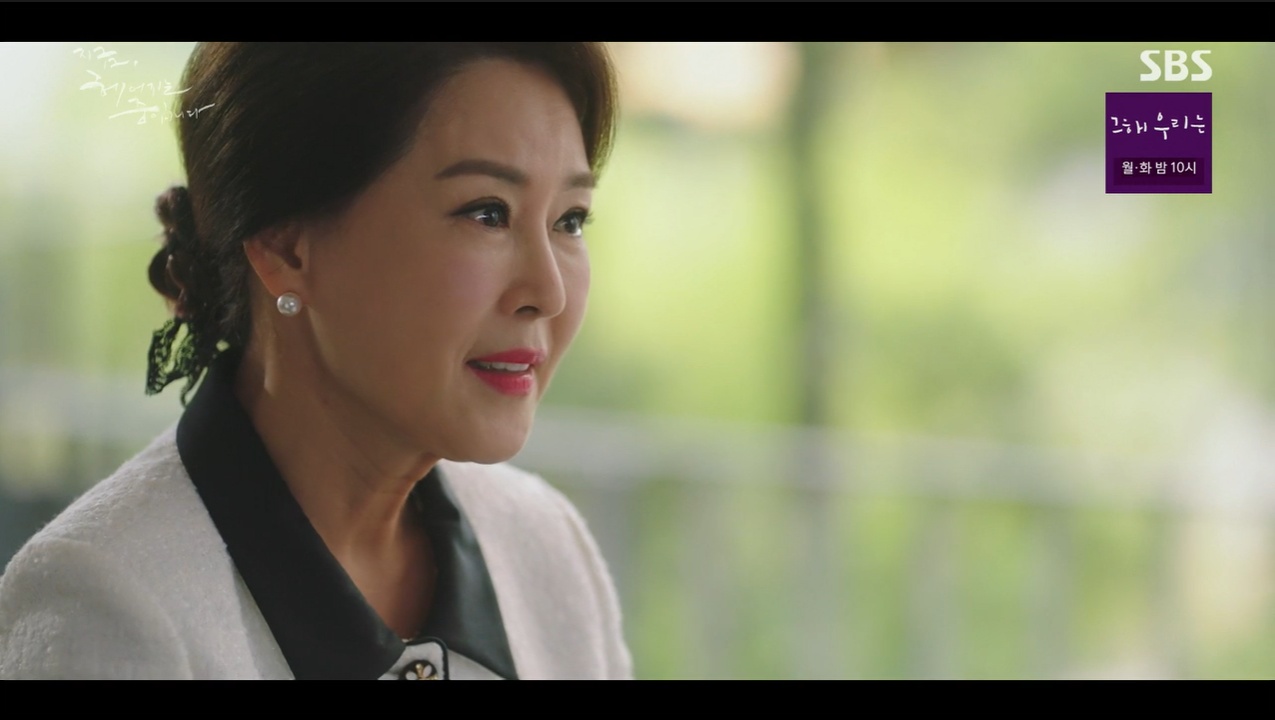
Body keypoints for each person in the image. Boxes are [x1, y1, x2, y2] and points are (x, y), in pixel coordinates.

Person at [0, 42, 631, 680]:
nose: (549, 292)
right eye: (488, 213)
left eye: (570, 220)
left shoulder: (546, 549)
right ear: (285, 249)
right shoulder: (108, 601)